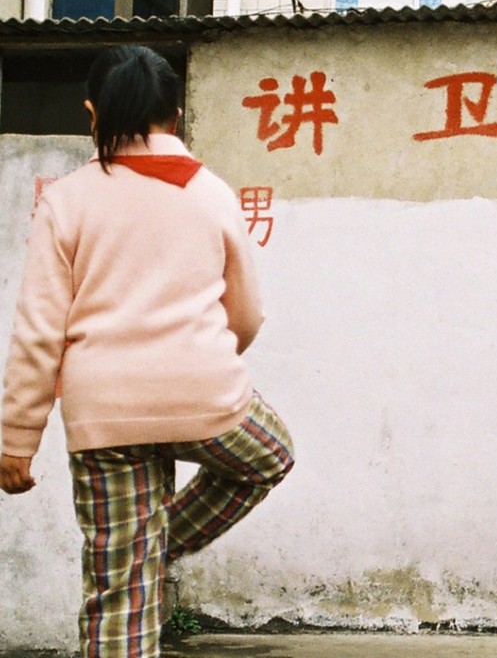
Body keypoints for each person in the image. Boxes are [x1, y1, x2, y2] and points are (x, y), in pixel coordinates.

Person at [0, 45, 294, 658]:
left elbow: (39, 330)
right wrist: (201, 358)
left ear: (92, 114)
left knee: (119, 597)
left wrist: (16, 439)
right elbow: (247, 314)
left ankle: (141, 549)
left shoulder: (69, 199)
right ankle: (156, 543)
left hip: (103, 412)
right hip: (205, 397)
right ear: (177, 118)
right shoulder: (212, 193)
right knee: (271, 456)